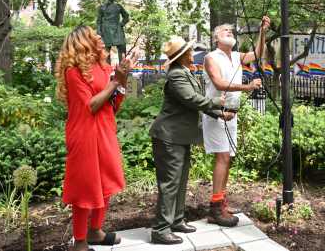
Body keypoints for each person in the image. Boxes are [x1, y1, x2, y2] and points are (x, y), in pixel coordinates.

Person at [55, 26, 137, 251]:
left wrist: (123, 77)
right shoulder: (73, 71)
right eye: (94, 36)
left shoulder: (104, 66)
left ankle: (95, 231)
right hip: (84, 134)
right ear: (83, 43)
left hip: (105, 129)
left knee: (105, 181)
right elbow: (90, 105)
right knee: (85, 188)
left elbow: (112, 104)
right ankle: (80, 241)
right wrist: (115, 81)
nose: (100, 37)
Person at [149, 36, 227, 245]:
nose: (192, 53)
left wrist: (218, 113)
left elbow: (193, 103)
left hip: (180, 136)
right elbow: (191, 99)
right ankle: (161, 229)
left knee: (180, 180)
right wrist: (216, 102)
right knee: (170, 184)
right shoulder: (176, 76)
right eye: (189, 51)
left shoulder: (184, 72)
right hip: (169, 137)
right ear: (182, 55)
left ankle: (176, 220)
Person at [202, 16, 270, 226]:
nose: (229, 33)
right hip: (217, 113)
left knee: (227, 158)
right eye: (225, 32)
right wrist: (247, 87)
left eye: (231, 32)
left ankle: (220, 201)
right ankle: (215, 209)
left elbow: (258, 54)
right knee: (222, 157)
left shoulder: (237, 56)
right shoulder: (211, 57)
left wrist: (262, 32)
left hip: (232, 113)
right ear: (216, 39)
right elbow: (219, 83)